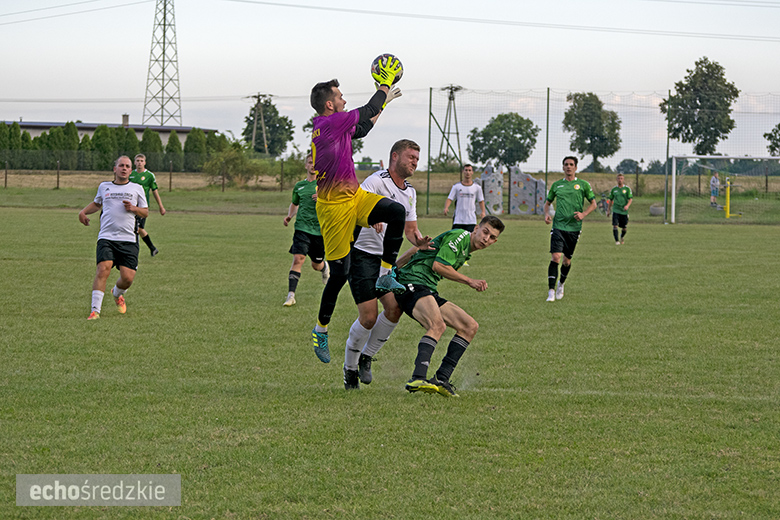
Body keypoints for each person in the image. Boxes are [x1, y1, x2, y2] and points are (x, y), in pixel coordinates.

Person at [309, 60, 407, 364]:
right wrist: (384, 86)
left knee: (396, 212)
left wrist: (383, 104)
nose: (343, 100)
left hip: (354, 196)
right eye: (339, 97)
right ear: (329, 104)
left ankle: (387, 274)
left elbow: (362, 127)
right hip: (334, 209)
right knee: (339, 274)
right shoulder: (326, 123)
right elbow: (366, 109)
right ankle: (320, 329)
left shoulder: (335, 127)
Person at [342, 139, 433, 390]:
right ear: (395, 156)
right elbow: (355, 208)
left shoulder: (410, 192)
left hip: (386, 260)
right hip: (361, 255)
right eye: (410, 156)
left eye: (417, 157)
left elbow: (411, 230)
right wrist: (371, 218)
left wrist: (420, 241)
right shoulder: (376, 181)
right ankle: (349, 369)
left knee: (394, 310)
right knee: (369, 317)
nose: (415, 161)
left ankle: (366, 357)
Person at [397, 216, 505, 397]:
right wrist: (470, 281)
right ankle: (417, 377)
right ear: (476, 228)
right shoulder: (461, 237)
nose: (486, 239)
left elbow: (420, 249)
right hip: (413, 282)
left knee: (469, 326)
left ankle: (441, 379)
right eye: (485, 232)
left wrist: (396, 265)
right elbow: (438, 266)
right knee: (437, 325)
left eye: (492, 237)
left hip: (427, 288)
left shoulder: (465, 250)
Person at [78, 156, 148, 320]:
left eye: (127, 166)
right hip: (106, 237)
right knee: (103, 269)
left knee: (127, 278)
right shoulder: (104, 186)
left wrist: (133, 208)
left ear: (130, 171)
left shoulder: (137, 188)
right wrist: (83, 212)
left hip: (128, 239)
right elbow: (97, 204)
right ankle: (95, 311)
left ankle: (117, 293)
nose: (124, 168)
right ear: (114, 169)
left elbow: (145, 212)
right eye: (121, 165)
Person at [543, 156, 596, 302]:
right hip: (558, 226)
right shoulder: (557, 185)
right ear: (563, 167)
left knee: (566, 261)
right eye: (566, 164)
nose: (568, 167)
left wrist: (583, 214)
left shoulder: (583, 185)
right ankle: (551, 291)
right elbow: (547, 203)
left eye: (571, 164)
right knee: (556, 257)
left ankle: (561, 284)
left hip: (574, 228)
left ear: (576, 167)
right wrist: (547, 214)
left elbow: (593, 204)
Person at [282, 152, 329, 307]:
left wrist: (322, 198)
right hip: (302, 228)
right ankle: (291, 296)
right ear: (306, 165)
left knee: (316, 265)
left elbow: (335, 204)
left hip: (319, 231)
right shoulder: (299, 186)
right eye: (310, 162)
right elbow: (295, 203)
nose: (313, 165)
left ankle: (324, 267)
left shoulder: (325, 185)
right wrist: (290, 215)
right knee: (298, 259)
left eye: (315, 162)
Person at [129, 153, 166, 256]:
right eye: (138, 161)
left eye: (141, 161)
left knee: (138, 228)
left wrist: (161, 206)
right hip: (131, 206)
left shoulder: (149, 176)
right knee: (133, 228)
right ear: (134, 162)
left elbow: (155, 191)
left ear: (145, 162)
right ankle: (150, 248)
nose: (139, 163)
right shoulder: (130, 174)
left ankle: (151, 248)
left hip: (142, 207)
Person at [443, 164, 486, 232]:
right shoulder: (456, 187)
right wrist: (446, 208)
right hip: (458, 220)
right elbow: (450, 198)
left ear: (472, 172)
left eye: (469, 170)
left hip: (471, 220)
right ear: (463, 171)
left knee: (470, 240)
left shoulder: (477, 187)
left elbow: (481, 201)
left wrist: (483, 212)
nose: (468, 172)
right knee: (455, 240)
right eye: (466, 170)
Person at [608, 173, 633, 245]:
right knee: (615, 225)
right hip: (616, 210)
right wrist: (608, 210)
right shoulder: (614, 189)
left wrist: (627, 206)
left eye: (621, 178)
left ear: (623, 179)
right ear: (616, 179)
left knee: (624, 228)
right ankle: (617, 241)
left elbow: (630, 199)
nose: (620, 180)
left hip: (624, 211)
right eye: (618, 178)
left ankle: (622, 236)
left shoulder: (627, 189)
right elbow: (611, 200)